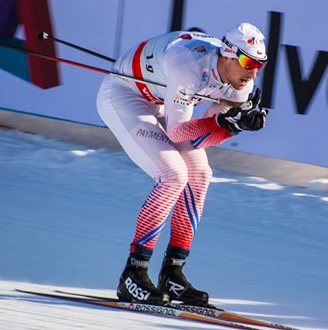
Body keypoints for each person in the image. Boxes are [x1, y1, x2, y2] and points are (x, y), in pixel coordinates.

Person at [96, 22, 269, 306]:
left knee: (200, 175)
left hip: (160, 103)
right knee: (173, 174)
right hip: (124, 95)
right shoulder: (188, 64)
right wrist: (222, 122)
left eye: (259, 65)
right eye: (248, 62)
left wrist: (232, 127)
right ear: (228, 53)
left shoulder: (242, 85)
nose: (252, 72)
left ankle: (172, 273)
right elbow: (179, 132)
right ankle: (133, 273)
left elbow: (202, 137)